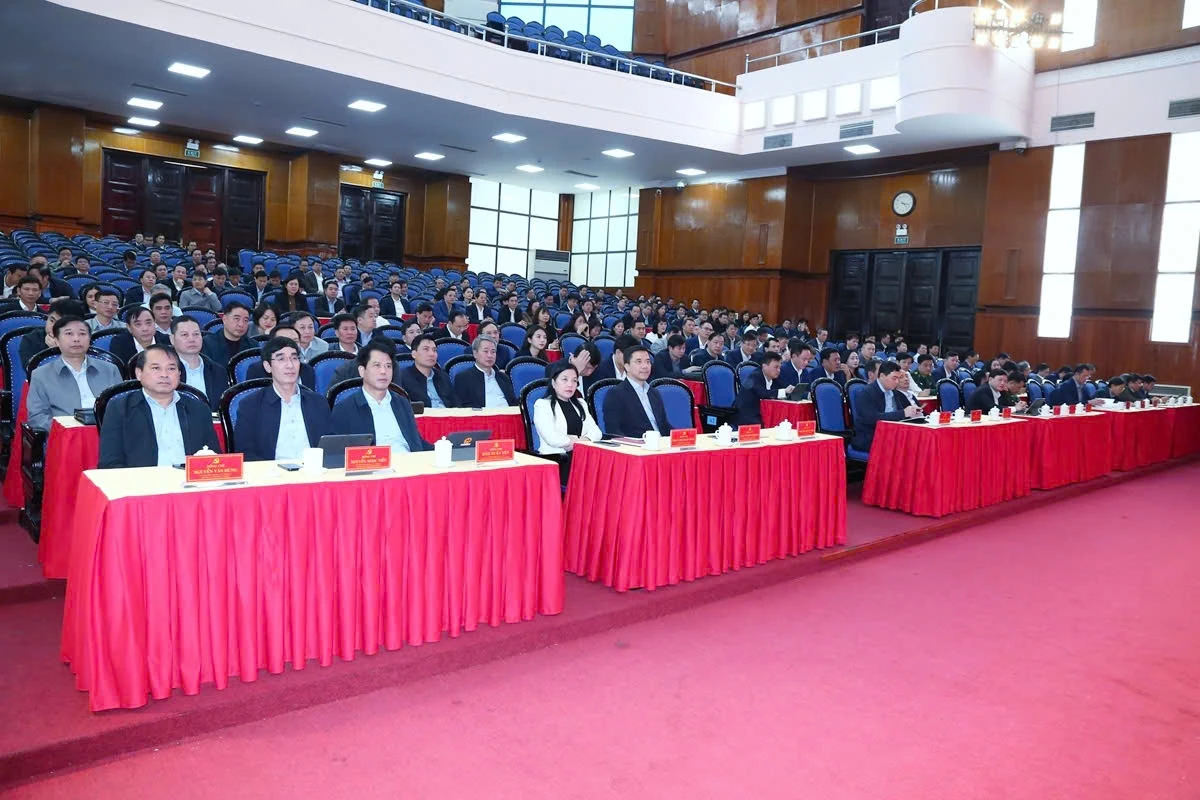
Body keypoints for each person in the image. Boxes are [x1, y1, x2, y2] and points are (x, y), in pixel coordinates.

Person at [97, 346, 222, 468]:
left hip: (188, 479)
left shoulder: (199, 409)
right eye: (156, 368)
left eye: (171, 368)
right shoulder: (120, 408)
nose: (164, 374)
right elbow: (110, 463)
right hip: (140, 480)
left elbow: (213, 458)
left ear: (179, 374)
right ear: (139, 373)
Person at [232, 336, 331, 462]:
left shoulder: (318, 403)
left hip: (313, 470)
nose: (290, 365)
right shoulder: (251, 405)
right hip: (270, 471)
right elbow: (245, 453)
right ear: (268, 366)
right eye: (281, 359)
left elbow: (330, 447)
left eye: (294, 358)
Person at [329, 339, 431, 452]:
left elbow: (416, 442)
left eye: (388, 366)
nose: (383, 371)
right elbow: (336, 452)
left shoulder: (402, 403)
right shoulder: (344, 409)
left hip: (409, 460)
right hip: (373, 461)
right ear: (362, 371)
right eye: (377, 365)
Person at [26, 317, 122, 431]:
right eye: (69, 334)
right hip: (67, 437)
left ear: (89, 339)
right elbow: (37, 417)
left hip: (108, 433)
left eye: (82, 334)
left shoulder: (110, 370)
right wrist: (64, 430)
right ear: (56, 340)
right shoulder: (41, 375)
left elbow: (122, 408)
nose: (76, 339)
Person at [532, 360, 603, 482]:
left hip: (582, 456)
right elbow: (552, 439)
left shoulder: (581, 403)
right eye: (564, 379)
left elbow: (596, 433)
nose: (570, 384)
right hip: (557, 459)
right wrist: (579, 441)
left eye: (574, 380)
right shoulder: (542, 405)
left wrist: (575, 441)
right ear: (553, 382)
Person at [850, 362, 920, 453]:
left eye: (898, 378)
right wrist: (903, 413)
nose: (897, 382)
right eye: (894, 378)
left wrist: (912, 413)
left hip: (892, 434)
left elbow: (901, 414)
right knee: (906, 448)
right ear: (882, 376)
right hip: (871, 436)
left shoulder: (894, 392)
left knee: (917, 442)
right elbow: (872, 419)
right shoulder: (865, 392)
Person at [602, 344, 671, 437]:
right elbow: (613, 431)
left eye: (648, 362)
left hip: (661, 443)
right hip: (636, 444)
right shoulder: (615, 394)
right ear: (627, 366)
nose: (645, 366)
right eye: (639, 362)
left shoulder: (654, 393)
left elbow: (664, 426)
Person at [245, 326, 318, 390]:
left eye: (295, 341)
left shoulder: (307, 370)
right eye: (283, 341)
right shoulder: (257, 370)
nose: (290, 345)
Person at [454, 336, 517, 408]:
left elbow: (514, 404)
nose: (490, 355)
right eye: (485, 351)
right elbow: (463, 407)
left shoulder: (503, 377)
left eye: (493, 352)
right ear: (475, 353)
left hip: (507, 413)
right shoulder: (463, 378)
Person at [397, 334, 457, 408]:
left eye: (434, 350)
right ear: (414, 354)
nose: (432, 354)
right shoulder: (403, 377)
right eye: (426, 349)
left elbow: (456, 404)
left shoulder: (443, 376)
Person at [200, 301, 255, 368]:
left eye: (245, 320)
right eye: (236, 319)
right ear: (225, 319)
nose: (241, 324)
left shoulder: (252, 345)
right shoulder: (207, 343)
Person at [733, 351, 783, 426]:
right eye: (775, 367)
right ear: (764, 366)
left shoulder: (776, 378)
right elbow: (763, 393)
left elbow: (782, 388)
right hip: (747, 415)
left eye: (779, 367)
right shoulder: (755, 377)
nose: (778, 370)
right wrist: (783, 392)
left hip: (763, 414)